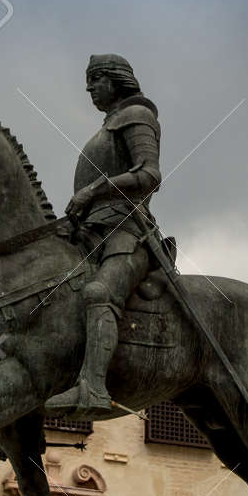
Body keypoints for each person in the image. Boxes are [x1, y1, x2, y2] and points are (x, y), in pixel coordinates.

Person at [44, 54, 163, 418]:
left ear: (116, 80)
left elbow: (150, 175)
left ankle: (93, 388)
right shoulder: (108, 126)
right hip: (91, 235)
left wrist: (94, 190)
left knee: (99, 293)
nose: (89, 88)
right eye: (89, 79)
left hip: (127, 233)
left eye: (96, 79)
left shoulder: (137, 116)